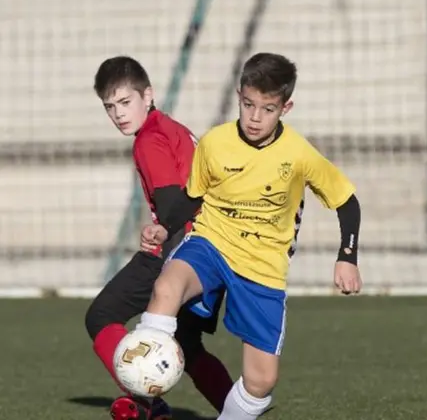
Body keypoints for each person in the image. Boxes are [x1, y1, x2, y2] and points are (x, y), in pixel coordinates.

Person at [134, 52, 363, 420]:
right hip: (212, 244)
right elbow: (193, 197)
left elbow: (347, 202)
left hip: (262, 266)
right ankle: (142, 395)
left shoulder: (299, 154)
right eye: (248, 105)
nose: (255, 118)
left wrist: (347, 257)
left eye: (268, 109)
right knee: (166, 288)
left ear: (285, 107)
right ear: (239, 95)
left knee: (260, 382)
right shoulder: (214, 142)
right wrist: (164, 227)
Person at [85, 56, 233, 419]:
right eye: (110, 107)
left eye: (125, 102)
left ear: (147, 95)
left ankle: (146, 400)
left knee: (101, 315)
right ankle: (238, 412)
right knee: (187, 344)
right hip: (215, 249)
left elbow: (172, 203)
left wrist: (160, 234)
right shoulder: (173, 129)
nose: (118, 114)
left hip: (182, 248)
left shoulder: (150, 139)